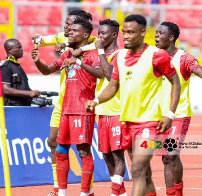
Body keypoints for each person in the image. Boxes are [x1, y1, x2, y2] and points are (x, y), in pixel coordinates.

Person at [85, 14, 181, 196]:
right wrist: (96, 101)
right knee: (145, 176)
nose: (126, 36)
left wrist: (169, 114)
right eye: (124, 32)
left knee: (137, 169)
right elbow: (113, 86)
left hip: (149, 124)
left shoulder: (157, 55)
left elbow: (175, 82)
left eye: (131, 32)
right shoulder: (120, 57)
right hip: (127, 123)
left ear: (143, 32)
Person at [31, 17, 102, 196]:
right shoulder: (67, 54)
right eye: (69, 31)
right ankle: (61, 191)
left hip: (82, 110)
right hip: (65, 109)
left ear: (86, 34)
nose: (69, 33)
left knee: (83, 150)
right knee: (61, 148)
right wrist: (37, 61)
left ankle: (86, 192)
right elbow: (48, 70)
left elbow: (102, 74)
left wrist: (79, 62)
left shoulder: (93, 54)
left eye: (74, 31)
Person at [154, 21, 202, 196]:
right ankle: (170, 193)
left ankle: (178, 191)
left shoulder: (184, 58)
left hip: (178, 114)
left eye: (160, 33)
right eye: (156, 33)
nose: (156, 36)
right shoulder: (153, 56)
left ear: (171, 37)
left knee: (172, 154)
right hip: (158, 116)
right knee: (165, 159)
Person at [93, 19, 127, 196]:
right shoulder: (102, 55)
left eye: (103, 33)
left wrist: (99, 51)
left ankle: (115, 193)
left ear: (114, 35)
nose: (99, 37)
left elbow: (109, 76)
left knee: (117, 154)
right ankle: (120, 193)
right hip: (102, 112)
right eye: (98, 33)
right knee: (106, 155)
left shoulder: (121, 54)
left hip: (117, 111)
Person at [0, 38, 40, 106]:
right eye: (19, 48)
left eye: (21, 47)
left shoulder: (17, 66)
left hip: (22, 108)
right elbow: (6, 89)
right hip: (10, 110)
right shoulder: (6, 67)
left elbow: (22, 88)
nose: (21, 49)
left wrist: (34, 93)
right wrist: (29, 93)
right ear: (10, 50)